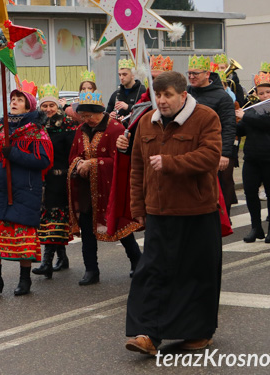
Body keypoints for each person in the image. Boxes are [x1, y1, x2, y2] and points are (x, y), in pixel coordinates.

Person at [125, 71, 223, 355]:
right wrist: (137, 207)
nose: (162, 101)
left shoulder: (206, 117)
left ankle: (199, 332)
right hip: (158, 211)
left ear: (183, 94)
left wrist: (171, 163)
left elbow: (211, 156)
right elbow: (137, 169)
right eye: (158, 95)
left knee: (195, 274)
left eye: (167, 95)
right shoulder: (145, 122)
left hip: (196, 211)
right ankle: (147, 334)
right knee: (151, 272)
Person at [0, 84, 52, 296]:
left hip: (26, 190)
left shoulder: (37, 131)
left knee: (23, 237)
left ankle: (24, 281)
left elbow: (43, 161)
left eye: (19, 99)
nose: (14, 102)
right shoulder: (2, 129)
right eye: (12, 99)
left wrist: (14, 153)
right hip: (1, 189)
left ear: (28, 106)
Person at [67, 91, 142, 286]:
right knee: (87, 230)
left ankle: (137, 261)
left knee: (119, 227)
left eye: (89, 116)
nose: (86, 120)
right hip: (86, 190)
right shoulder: (81, 130)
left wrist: (93, 163)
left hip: (109, 189)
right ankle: (91, 269)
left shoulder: (115, 129)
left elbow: (120, 160)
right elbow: (73, 156)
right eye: (83, 116)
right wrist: (79, 164)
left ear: (100, 112)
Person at [235, 72, 270, 243]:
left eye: (267, 92)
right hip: (251, 157)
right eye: (261, 93)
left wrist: (246, 116)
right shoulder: (252, 107)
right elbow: (242, 129)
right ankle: (255, 227)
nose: (264, 96)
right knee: (250, 192)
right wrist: (233, 119)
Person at [32, 84, 78, 278]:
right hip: (42, 180)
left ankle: (47, 262)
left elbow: (72, 152)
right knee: (48, 221)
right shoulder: (37, 125)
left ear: (57, 106)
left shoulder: (67, 124)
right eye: (44, 106)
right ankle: (62, 258)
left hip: (59, 179)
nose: (48, 109)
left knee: (55, 219)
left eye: (51, 105)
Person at [186, 55, 236, 218]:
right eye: (189, 74)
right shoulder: (185, 93)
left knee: (221, 186)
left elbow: (228, 126)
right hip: (192, 149)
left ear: (207, 74)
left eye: (196, 74)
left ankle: (223, 215)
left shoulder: (223, 97)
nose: (192, 77)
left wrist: (225, 154)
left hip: (215, 150)